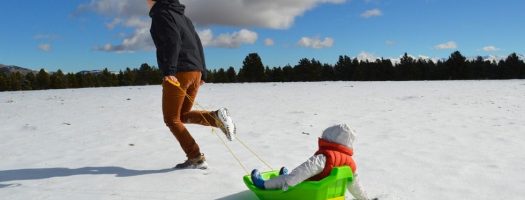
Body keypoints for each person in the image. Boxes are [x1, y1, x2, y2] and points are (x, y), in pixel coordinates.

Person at [148, 0, 236, 169]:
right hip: (194, 71)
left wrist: (169, 71)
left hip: (179, 72)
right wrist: (203, 71)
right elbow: (198, 43)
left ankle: (195, 157)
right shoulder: (183, 17)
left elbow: (172, 40)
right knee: (182, 115)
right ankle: (215, 117)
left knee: (171, 119)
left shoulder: (161, 14)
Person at [251, 124, 371, 200]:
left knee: (288, 179)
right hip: (332, 195)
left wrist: (289, 182)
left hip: (312, 191)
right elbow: (356, 185)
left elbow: (306, 169)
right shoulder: (350, 164)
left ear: (329, 139)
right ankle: (285, 176)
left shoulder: (326, 156)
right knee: (293, 177)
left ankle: (264, 184)